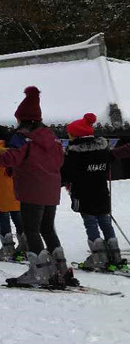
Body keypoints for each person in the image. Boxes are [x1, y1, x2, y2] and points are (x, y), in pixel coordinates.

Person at [0, 86, 77, 288]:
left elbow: (12, 156)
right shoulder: (53, 140)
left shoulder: (25, 139)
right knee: (48, 229)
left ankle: (39, 271)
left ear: (25, 119)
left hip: (32, 188)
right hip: (50, 189)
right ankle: (61, 269)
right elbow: (58, 162)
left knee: (31, 230)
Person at [62, 113, 129, 271]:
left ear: (77, 135)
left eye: (70, 133)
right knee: (106, 223)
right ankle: (115, 254)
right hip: (101, 193)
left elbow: (67, 173)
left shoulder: (74, 151)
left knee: (91, 223)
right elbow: (112, 159)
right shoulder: (103, 149)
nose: (68, 136)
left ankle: (98, 256)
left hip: (83, 194)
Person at [0, 126, 25, 261]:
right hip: (15, 187)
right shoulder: (15, 149)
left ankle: (7, 247)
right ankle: (26, 245)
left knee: (3, 217)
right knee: (18, 216)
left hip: (0, 189)